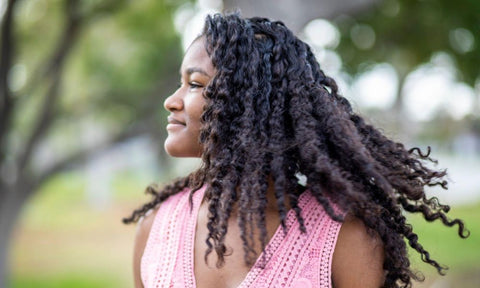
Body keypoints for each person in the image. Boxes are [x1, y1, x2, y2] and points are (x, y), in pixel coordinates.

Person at [123, 13, 469, 288]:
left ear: (249, 104)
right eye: (180, 84)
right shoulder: (156, 227)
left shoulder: (343, 237)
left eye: (195, 84)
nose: (171, 101)